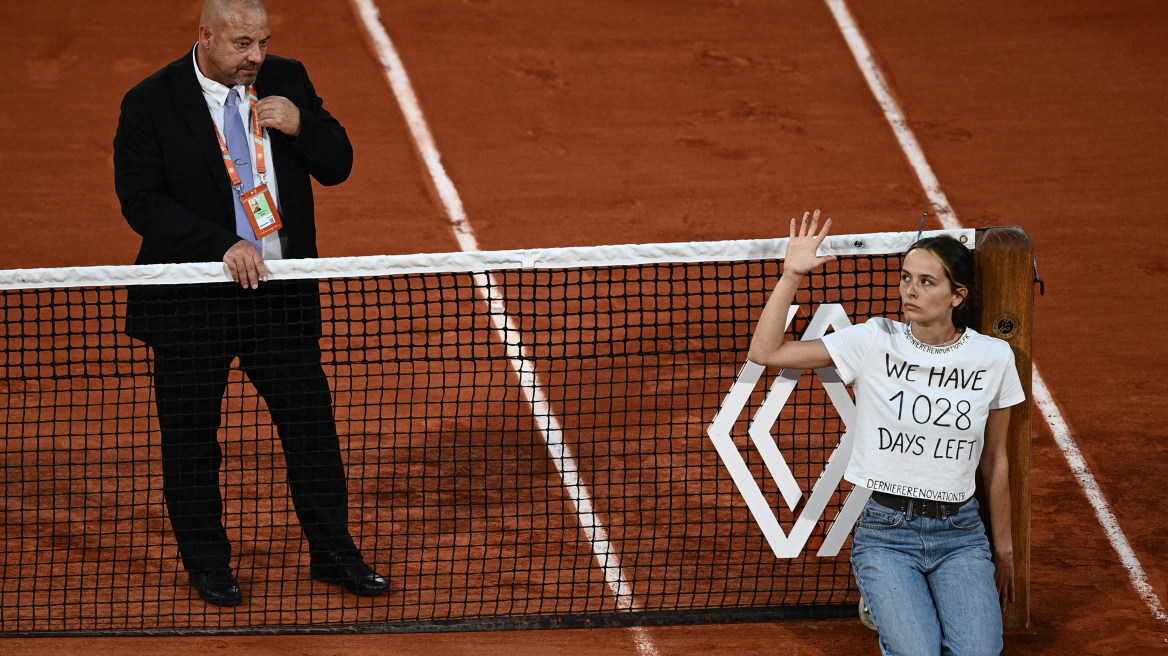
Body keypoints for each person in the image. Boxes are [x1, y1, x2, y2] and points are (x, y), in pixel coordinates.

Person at [113, 0, 388, 606]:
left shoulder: (286, 79)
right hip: (192, 305)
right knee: (191, 442)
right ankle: (208, 564)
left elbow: (338, 164)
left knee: (311, 430)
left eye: (262, 42)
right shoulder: (151, 102)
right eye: (242, 45)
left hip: (278, 297)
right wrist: (223, 244)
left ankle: (335, 553)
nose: (255, 57)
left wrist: (301, 125)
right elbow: (142, 202)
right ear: (206, 37)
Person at [748, 212, 1024, 655]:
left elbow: (995, 460)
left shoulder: (993, 357)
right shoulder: (876, 340)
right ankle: (890, 603)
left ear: (958, 295)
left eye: (927, 282)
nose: (910, 291)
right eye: (906, 278)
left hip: (961, 534)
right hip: (887, 533)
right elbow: (767, 351)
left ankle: (903, 606)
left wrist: (1005, 552)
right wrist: (791, 274)